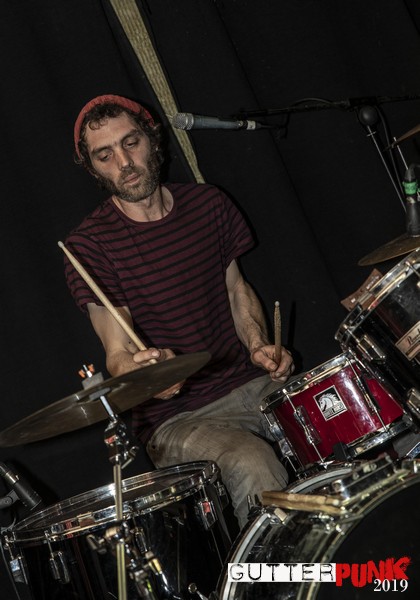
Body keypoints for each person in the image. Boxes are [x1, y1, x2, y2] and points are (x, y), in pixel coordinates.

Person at [64, 94, 295, 528]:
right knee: (252, 460)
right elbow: (117, 353)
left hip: (253, 383)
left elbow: (236, 289)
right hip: (177, 420)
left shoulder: (208, 204)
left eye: (130, 143)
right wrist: (149, 375)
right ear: (93, 168)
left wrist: (259, 345)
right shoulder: (90, 246)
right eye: (105, 155)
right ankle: (272, 571)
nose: (124, 162)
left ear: (152, 140)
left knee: (340, 408)